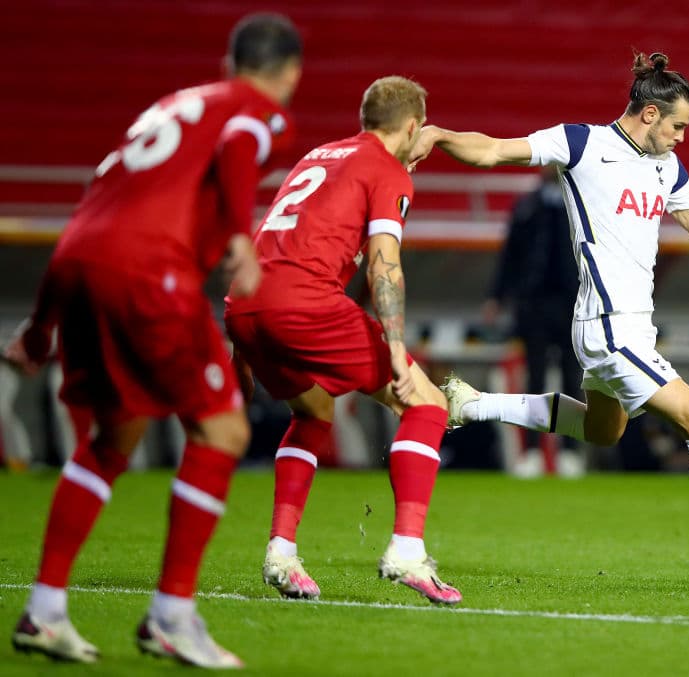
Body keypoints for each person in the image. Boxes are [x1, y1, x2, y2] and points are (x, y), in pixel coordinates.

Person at [411, 51, 689, 583]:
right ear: (651, 115)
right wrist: (441, 135)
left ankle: (473, 404)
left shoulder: (667, 167)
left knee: (601, 430)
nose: (683, 137)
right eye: (678, 125)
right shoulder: (582, 144)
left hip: (634, 325)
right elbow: (496, 150)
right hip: (606, 324)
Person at [3, 14, 302, 667]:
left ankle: (45, 609)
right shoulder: (255, 109)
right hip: (149, 274)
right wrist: (235, 235)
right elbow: (243, 141)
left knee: (115, 435)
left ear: (227, 62)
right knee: (223, 431)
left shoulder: (167, 108)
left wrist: (37, 330)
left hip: (78, 262)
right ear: (290, 74)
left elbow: (92, 216)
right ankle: (172, 614)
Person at [225, 75, 461, 606]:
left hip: (245, 303)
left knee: (312, 414)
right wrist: (397, 350)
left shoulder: (320, 155)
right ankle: (406, 549)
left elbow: (273, 237)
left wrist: (240, 338)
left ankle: (281, 554)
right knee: (426, 402)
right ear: (411, 126)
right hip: (303, 303)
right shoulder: (388, 170)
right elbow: (384, 264)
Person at [483, 165, 583, 477]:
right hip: (534, 305)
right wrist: (496, 297)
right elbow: (509, 255)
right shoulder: (527, 206)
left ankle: (570, 453)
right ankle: (531, 452)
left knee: (571, 380)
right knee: (534, 380)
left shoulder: (580, 206)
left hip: (572, 304)